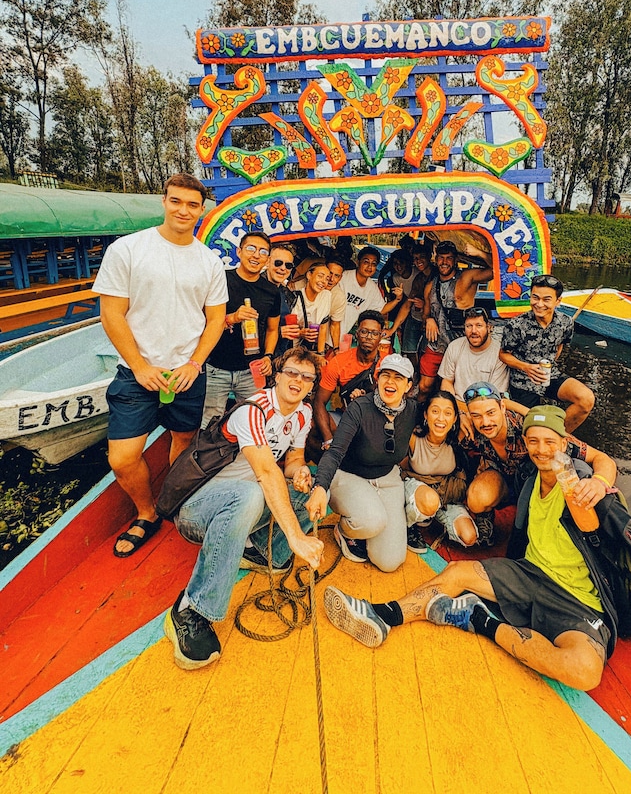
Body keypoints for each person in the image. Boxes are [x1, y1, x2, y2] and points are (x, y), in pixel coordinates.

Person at [322, 405, 631, 692]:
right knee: (458, 574)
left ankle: (478, 620)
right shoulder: (530, 478)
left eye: (549, 441)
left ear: (566, 443)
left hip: (581, 602)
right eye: (533, 441)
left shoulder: (591, 494)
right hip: (529, 575)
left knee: (584, 672)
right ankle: (382, 615)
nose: (540, 449)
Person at [93, 173, 227, 558]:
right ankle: (146, 512)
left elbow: (215, 319)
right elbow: (112, 314)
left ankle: (172, 500)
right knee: (122, 457)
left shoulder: (208, 261)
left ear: (201, 210)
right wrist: (139, 366)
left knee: (183, 439)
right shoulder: (128, 249)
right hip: (137, 373)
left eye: (192, 204)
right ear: (164, 201)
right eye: (176, 201)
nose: (184, 210)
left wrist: (195, 363)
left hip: (186, 372)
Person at [164, 347, 325, 670]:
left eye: (307, 377)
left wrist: (301, 474)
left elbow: (292, 460)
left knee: (319, 490)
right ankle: (190, 608)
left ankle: (260, 553)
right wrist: (296, 536)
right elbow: (265, 471)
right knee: (250, 493)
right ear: (276, 375)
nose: (298, 380)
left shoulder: (303, 414)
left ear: (311, 385)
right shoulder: (252, 410)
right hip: (198, 509)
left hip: (246, 502)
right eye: (292, 372)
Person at [462, 382, 616, 546]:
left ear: (503, 407)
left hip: (533, 484)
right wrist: (460, 414)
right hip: (501, 481)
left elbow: (602, 458)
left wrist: (599, 482)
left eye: (491, 413)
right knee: (477, 498)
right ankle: (487, 525)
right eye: (477, 416)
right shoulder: (470, 429)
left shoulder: (530, 429)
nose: (485, 422)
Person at [306, 353, 418, 572]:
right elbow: (335, 452)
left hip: (387, 478)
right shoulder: (359, 407)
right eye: (385, 375)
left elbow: (440, 417)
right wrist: (320, 486)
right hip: (349, 475)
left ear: (408, 386)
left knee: (389, 562)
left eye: (398, 377)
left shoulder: (413, 410)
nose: (390, 382)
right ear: (377, 379)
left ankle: (367, 518)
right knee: (371, 521)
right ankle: (345, 531)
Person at [201, 231, 280, 427]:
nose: (256, 255)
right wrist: (232, 318)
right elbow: (201, 321)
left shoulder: (271, 291)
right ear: (239, 251)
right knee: (209, 425)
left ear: (267, 259)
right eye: (251, 249)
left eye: (263, 252)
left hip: (251, 371)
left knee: (253, 423)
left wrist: (268, 356)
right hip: (215, 367)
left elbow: (272, 329)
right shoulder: (220, 280)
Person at [498, 274, 595, 432]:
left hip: (550, 375)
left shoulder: (565, 323)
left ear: (558, 301)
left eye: (546, 299)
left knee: (586, 399)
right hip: (523, 381)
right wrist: (526, 367)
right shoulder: (516, 325)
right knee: (526, 429)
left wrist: (550, 366)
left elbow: (560, 346)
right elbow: (503, 354)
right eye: (535, 298)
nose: (539, 304)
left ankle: (557, 435)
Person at [402, 389, 478, 553]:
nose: (441, 418)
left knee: (469, 536)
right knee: (429, 502)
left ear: (455, 418)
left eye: (448, 413)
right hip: (416, 486)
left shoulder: (458, 436)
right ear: (425, 414)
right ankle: (407, 523)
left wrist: (463, 414)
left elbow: (480, 413)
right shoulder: (413, 438)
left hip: (445, 493)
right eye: (435, 411)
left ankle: (431, 513)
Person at [419, 241, 494, 400]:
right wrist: (429, 319)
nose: (444, 262)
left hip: (462, 345)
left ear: (456, 260)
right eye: (441, 257)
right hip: (437, 344)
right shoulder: (430, 286)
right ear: (436, 259)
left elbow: (498, 270)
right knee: (424, 387)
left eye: (449, 258)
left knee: (461, 389)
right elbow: (425, 314)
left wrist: (479, 252)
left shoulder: (467, 277)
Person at [313, 310, 385, 447]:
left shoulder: (387, 364)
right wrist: (328, 439)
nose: (369, 337)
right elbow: (319, 401)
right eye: (364, 332)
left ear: (380, 337)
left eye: (374, 333)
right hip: (346, 418)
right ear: (357, 334)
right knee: (312, 425)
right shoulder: (339, 362)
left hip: (378, 422)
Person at [439, 306, 509, 439]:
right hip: (456, 405)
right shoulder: (455, 346)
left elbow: (495, 396)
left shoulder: (499, 354)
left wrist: (471, 414)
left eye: (479, 325)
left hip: (484, 408)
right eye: (469, 326)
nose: (474, 331)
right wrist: (459, 412)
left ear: (489, 327)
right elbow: (447, 381)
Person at [385, 242, 435, 373]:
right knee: (408, 351)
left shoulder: (437, 275)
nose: (418, 261)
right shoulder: (419, 278)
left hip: (433, 321)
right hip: (415, 317)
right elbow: (407, 304)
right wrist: (392, 330)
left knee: (426, 354)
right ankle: (412, 377)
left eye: (421, 257)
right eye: (416, 258)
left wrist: (426, 305)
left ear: (429, 256)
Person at [338, 246, 400, 337]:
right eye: (366, 262)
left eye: (374, 264)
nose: (369, 267)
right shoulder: (343, 278)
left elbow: (381, 309)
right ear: (358, 262)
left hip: (343, 333)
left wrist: (397, 299)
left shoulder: (372, 288)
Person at [264, 243, 301, 358]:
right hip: (259, 359)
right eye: (278, 263)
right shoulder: (255, 288)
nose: (283, 268)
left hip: (281, 356)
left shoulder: (287, 293)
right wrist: (279, 332)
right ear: (267, 262)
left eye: (288, 265)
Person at [290, 259, 333, 354]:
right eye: (320, 276)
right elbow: (288, 329)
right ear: (309, 275)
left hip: (308, 350)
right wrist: (301, 333)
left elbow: (323, 328)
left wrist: (320, 354)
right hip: (290, 348)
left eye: (327, 279)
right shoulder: (295, 297)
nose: (323, 281)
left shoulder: (326, 296)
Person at [323, 252, 348, 355]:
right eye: (330, 273)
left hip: (319, 341)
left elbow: (335, 324)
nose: (331, 279)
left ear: (340, 278)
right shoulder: (305, 286)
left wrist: (336, 349)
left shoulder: (339, 296)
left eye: (336, 276)